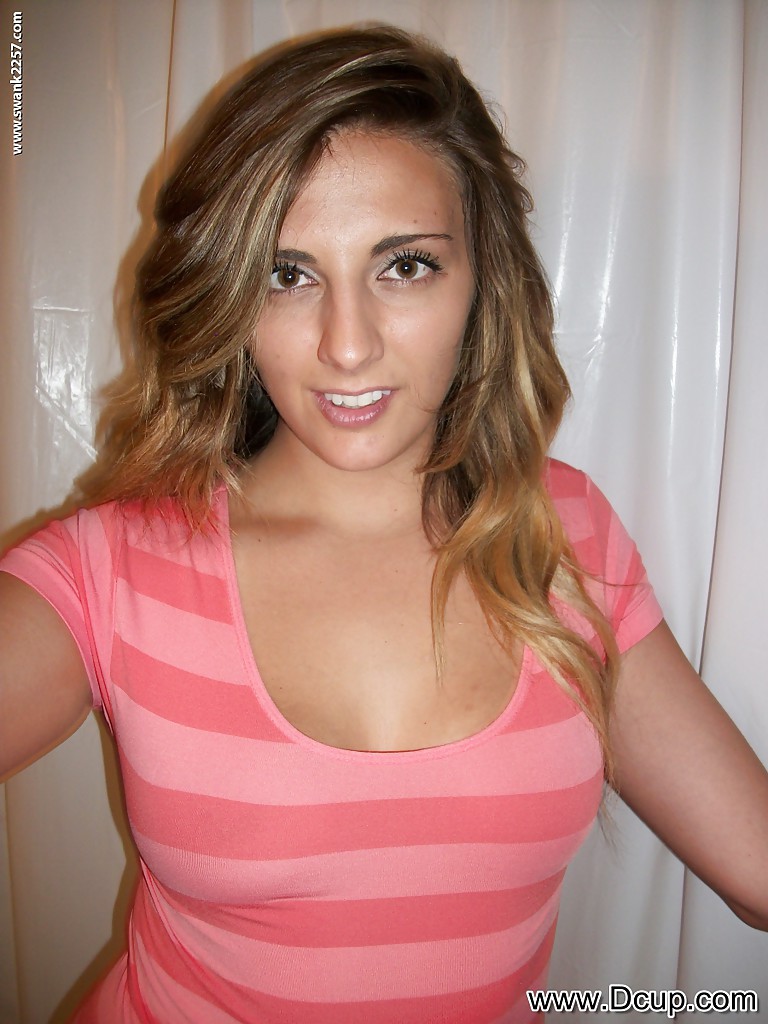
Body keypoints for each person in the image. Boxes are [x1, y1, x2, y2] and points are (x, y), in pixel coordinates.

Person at [1, 23, 766, 1024]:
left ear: (480, 276)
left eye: (404, 266)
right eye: (288, 274)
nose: (348, 344)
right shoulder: (112, 568)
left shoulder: (563, 536)